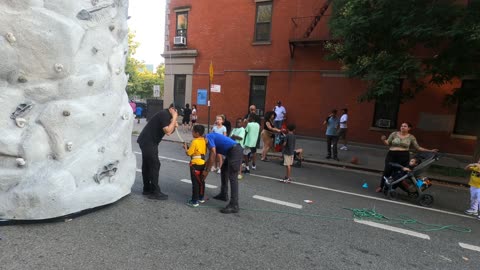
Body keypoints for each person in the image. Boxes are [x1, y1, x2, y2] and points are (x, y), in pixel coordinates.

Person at [375, 122, 438, 193]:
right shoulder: (394, 134)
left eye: (405, 126)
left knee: (399, 173)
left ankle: (392, 188)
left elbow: (418, 148)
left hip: (403, 156)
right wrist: (383, 140)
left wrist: (430, 150)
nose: (402, 127)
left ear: (409, 128)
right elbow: (388, 143)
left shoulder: (411, 137)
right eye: (402, 126)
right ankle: (381, 186)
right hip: (391, 155)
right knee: (387, 171)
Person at [137, 105, 178, 200]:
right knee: (155, 165)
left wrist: (174, 125)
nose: (176, 115)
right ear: (172, 109)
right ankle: (155, 191)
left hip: (148, 141)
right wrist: (174, 118)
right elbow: (167, 131)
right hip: (148, 142)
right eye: (176, 113)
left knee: (147, 165)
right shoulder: (165, 114)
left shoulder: (166, 115)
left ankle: (147, 189)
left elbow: (169, 132)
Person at [202, 133, 243, 214]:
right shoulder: (209, 137)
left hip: (234, 151)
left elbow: (213, 153)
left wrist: (207, 170)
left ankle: (234, 205)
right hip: (232, 151)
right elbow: (211, 156)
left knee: (233, 177)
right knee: (224, 170)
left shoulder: (208, 137)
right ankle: (223, 194)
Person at [183, 125, 207, 207]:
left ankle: (194, 201)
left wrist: (186, 148)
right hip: (202, 163)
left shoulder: (194, 141)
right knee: (201, 181)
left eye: (193, 131)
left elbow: (189, 153)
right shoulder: (204, 140)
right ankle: (201, 197)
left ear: (197, 133)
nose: (192, 133)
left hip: (195, 164)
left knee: (195, 183)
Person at [243, 105, 261, 170]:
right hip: (254, 139)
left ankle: (247, 166)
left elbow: (245, 130)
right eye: (251, 109)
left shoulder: (250, 123)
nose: (252, 110)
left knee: (246, 153)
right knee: (253, 152)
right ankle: (253, 164)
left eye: (253, 109)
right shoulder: (257, 124)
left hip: (248, 140)